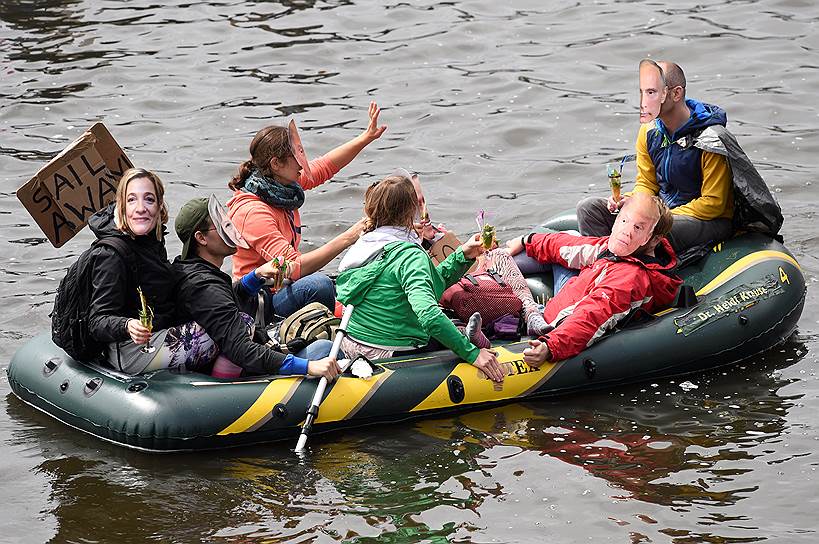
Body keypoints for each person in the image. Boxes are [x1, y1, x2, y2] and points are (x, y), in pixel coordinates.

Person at [334, 174, 506, 383]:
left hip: (351, 343)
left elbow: (430, 284)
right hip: (388, 353)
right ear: (410, 211)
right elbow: (428, 315)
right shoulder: (410, 255)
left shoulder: (366, 244)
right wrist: (472, 354)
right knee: (458, 329)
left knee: (452, 328)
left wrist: (463, 255)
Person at [226, 102, 386, 323]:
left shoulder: (280, 184)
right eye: (296, 158)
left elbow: (325, 167)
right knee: (319, 285)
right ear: (276, 164)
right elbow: (293, 267)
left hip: (284, 287)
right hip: (260, 302)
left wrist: (366, 137)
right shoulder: (252, 212)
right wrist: (350, 236)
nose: (303, 164)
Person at [499, 193, 682, 366]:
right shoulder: (613, 249)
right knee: (572, 239)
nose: (626, 231)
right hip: (558, 306)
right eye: (624, 221)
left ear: (653, 239)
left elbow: (592, 314)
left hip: (555, 326)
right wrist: (526, 240)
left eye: (638, 228)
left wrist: (550, 346)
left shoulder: (630, 278)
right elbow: (567, 245)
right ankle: (491, 274)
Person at [172, 195, 341, 380]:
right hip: (232, 371)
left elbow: (223, 302)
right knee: (325, 349)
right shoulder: (205, 286)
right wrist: (308, 366)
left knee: (319, 287)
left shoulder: (194, 270)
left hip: (233, 352)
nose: (231, 228)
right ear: (201, 238)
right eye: (221, 225)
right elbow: (241, 349)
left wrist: (256, 275)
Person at [577, 59, 735, 253]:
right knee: (589, 208)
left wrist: (658, 216)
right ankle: (605, 263)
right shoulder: (649, 131)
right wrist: (632, 202)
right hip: (659, 212)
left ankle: (637, 265)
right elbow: (647, 184)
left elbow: (714, 203)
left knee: (655, 229)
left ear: (676, 93)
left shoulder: (710, 138)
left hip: (705, 220)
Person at [87, 168, 217, 374]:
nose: (141, 208)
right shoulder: (112, 255)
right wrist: (127, 325)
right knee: (230, 327)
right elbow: (96, 321)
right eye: (131, 200)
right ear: (121, 207)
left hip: (159, 332)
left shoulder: (152, 241)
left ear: (159, 207)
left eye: (149, 199)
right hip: (131, 351)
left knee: (222, 315)